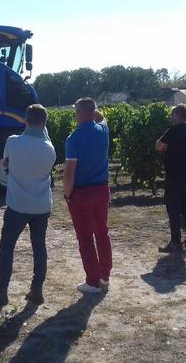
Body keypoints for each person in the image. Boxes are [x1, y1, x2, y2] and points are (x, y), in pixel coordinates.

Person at [0, 104, 57, 306]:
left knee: (7, 247)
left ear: (26, 120)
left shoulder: (13, 142)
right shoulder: (49, 149)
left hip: (17, 205)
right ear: (45, 123)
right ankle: (36, 289)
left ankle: (1, 291)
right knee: (39, 247)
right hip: (41, 206)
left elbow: (5, 164)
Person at [64, 98, 111, 295]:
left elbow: (69, 172)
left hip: (82, 192)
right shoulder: (103, 131)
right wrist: (94, 113)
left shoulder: (73, 138)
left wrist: (67, 194)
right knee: (102, 232)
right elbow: (102, 119)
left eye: (76, 111)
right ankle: (104, 275)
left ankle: (92, 282)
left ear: (80, 112)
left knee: (85, 237)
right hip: (102, 189)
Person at [155, 104, 186, 252]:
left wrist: (167, 145)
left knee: (173, 208)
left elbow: (159, 146)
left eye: (172, 115)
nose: (170, 117)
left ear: (177, 115)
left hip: (173, 175)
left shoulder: (173, 130)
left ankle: (175, 241)